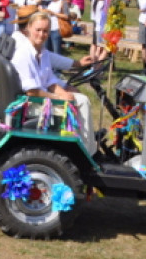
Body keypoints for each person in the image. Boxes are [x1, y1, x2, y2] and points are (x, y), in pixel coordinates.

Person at [10, 11, 97, 154]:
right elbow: (32, 91)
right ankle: (88, 151)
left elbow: (49, 81)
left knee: (77, 97)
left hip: (40, 98)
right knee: (83, 102)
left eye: (45, 31)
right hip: (30, 103)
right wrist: (59, 97)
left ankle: (83, 144)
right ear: (29, 29)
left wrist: (64, 92)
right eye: (38, 30)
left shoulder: (42, 52)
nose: (41, 34)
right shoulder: (23, 54)